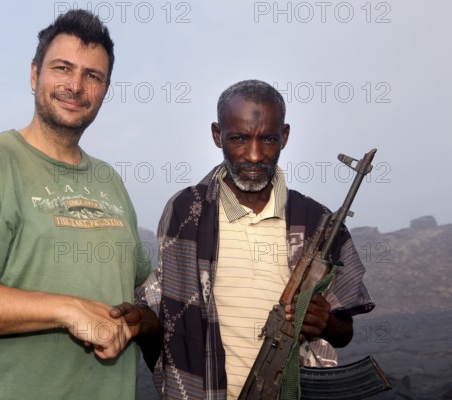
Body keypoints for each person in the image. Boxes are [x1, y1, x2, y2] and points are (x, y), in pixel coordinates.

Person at [0, 9, 159, 400]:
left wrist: (137, 320)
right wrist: (68, 310)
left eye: (92, 76)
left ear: (104, 90)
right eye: (62, 68)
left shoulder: (109, 180)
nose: (75, 86)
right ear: (34, 74)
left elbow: (146, 291)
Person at [133, 79, 375, 399]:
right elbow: (167, 314)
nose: (254, 154)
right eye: (239, 138)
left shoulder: (317, 221)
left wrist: (323, 322)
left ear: (285, 136)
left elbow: (344, 332)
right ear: (217, 135)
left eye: (268, 139)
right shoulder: (185, 211)